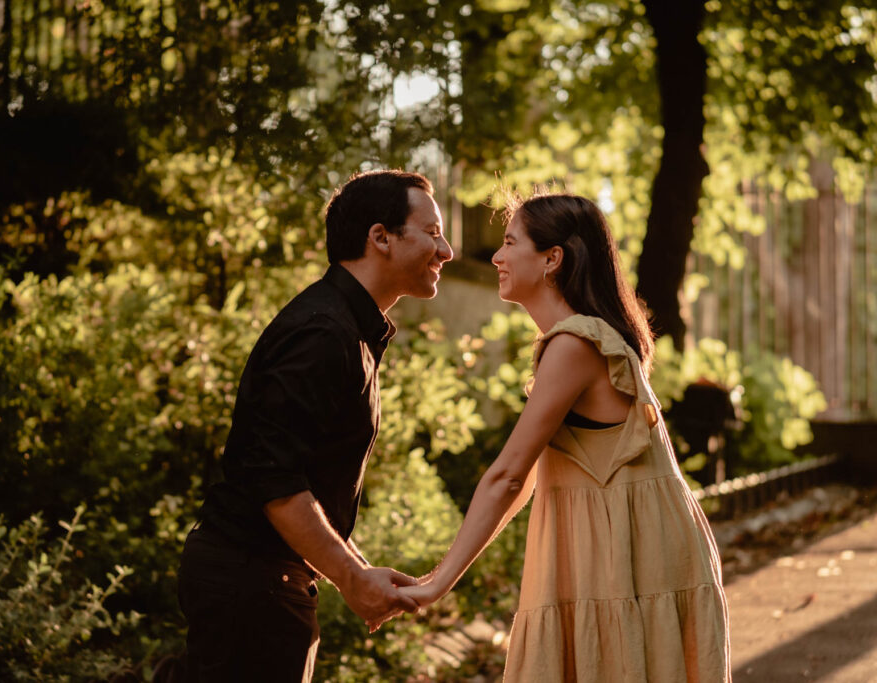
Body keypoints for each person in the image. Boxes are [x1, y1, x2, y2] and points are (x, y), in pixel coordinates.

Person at [400, 190, 731, 681]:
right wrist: (434, 578)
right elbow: (527, 479)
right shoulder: (580, 339)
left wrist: (435, 586)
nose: (496, 256)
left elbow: (507, 476)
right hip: (625, 552)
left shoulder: (576, 343)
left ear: (552, 259)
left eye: (510, 242)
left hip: (629, 560)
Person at [178, 169, 454, 682]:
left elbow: (297, 478)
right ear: (381, 238)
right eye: (433, 232)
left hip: (265, 583)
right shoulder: (323, 331)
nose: (448, 251)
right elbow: (274, 480)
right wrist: (351, 578)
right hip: (250, 586)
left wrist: (359, 569)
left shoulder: (350, 329)